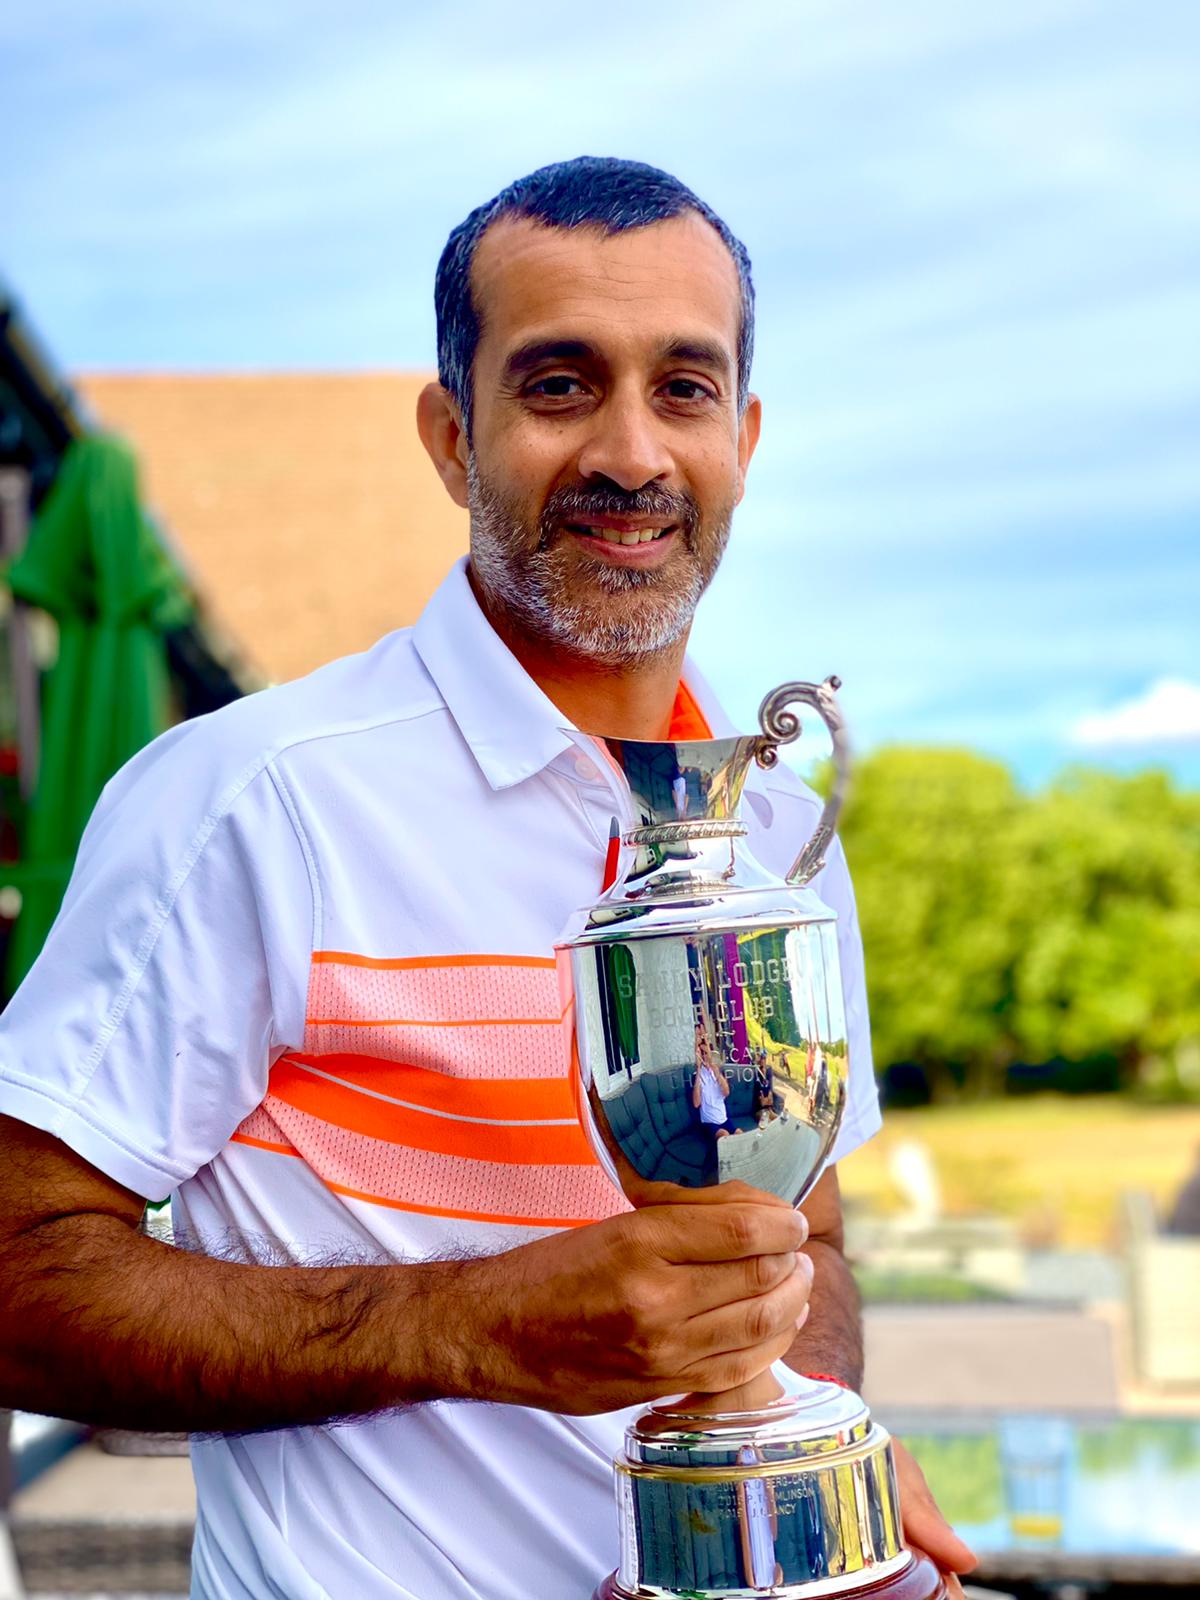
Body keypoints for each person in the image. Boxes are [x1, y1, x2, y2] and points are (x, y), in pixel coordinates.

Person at [0, 158, 974, 1599]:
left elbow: (804, 1241)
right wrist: (466, 1328)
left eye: (685, 388)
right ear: (454, 438)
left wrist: (808, 1438)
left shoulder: (782, 835)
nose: (631, 453)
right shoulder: (257, 798)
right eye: (562, 385)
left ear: (746, 437)